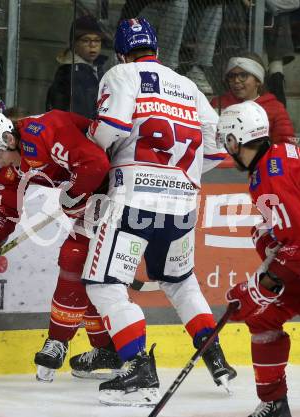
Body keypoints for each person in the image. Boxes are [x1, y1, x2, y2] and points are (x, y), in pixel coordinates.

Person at [80, 17, 236, 406]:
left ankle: (137, 369)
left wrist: (93, 153)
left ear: (120, 52)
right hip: (182, 203)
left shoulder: (120, 74)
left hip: (133, 200)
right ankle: (214, 355)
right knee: (180, 281)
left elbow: (111, 126)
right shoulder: (188, 86)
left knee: (104, 283)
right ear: (157, 50)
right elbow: (217, 148)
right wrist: (176, 175)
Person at [0, 110, 123, 382]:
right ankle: (108, 349)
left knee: (75, 256)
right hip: (97, 191)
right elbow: (2, 212)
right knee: (87, 270)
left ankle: (57, 343)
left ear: (8, 139)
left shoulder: (43, 132)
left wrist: (72, 196)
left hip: (120, 181)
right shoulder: (11, 163)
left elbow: (95, 164)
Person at [217, 100, 300, 417]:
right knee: (262, 316)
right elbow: (295, 239)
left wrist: (258, 288)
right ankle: (274, 403)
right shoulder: (276, 161)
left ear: (234, 140)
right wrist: (266, 240)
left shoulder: (272, 174)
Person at [211, 52, 295, 144]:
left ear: (258, 80)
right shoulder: (217, 103)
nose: (236, 80)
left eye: (243, 75)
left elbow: (286, 144)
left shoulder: (275, 108)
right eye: (232, 76)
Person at [46, 15, 108, 119]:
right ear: (74, 44)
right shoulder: (69, 72)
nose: (93, 45)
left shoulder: (98, 68)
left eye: (97, 40)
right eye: (86, 40)